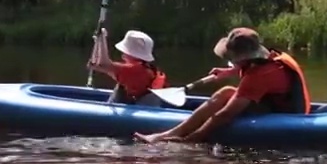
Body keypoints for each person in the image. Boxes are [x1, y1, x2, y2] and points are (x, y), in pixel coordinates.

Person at [134, 27, 311, 143]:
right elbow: (256, 73)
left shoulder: (258, 77)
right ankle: (171, 133)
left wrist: (194, 138)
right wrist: (228, 72)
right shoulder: (270, 58)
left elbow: (224, 115)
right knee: (227, 91)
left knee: (227, 95)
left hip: (288, 116)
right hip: (282, 104)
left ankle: (175, 136)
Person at [87, 28, 168, 106]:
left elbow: (103, 64)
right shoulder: (141, 68)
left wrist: (102, 38)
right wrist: (98, 42)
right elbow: (97, 65)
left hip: (142, 113)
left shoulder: (135, 70)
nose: (123, 53)